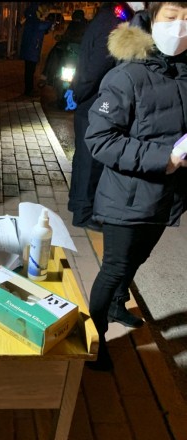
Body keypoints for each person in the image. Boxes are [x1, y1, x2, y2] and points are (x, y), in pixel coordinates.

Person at [84, 2, 187, 371]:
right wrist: (164, 158)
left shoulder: (184, 73)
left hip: (166, 196)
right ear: (153, 18)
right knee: (114, 267)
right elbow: (100, 139)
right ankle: (94, 339)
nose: (180, 27)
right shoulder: (126, 76)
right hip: (125, 197)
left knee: (138, 259)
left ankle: (116, 305)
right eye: (172, 17)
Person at [67, 2, 144, 230]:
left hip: (88, 101)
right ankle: (84, 213)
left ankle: (77, 204)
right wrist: (79, 93)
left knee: (83, 158)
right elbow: (95, 68)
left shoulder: (107, 16)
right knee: (91, 162)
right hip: (95, 103)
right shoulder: (114, 22)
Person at [38, 9, 87, 90]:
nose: (76, 21)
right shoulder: (72, 24)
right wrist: (61, 38)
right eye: (75, 19)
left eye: (77, 19)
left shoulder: (86, 26)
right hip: (68, 52)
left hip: (79, 54)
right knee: (54, 54)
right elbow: (66, 35)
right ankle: (46, 76)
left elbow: (83, 39)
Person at [19, 2, 52, 97]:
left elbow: (39, 30)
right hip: (32, 48)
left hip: (30, 48)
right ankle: (28, 91)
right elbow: (40, 26)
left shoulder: (31, 19)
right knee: (30, 71)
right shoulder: (34, 19)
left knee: (29, 70)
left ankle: (29, 89)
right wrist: (49, 23)